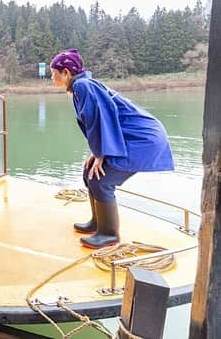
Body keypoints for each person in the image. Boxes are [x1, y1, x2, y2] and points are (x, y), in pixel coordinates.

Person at [50, 49, 174, 249]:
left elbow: (100, 118)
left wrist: (100, 154)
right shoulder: (82, 86)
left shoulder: (82, 86)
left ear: (66, 72)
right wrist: (97, 153)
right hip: (131, 138)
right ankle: (97, 223)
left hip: (143, 139)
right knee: (89, 172)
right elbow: (96, 122)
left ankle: (109, 234)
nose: (51, 77)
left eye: (53, 72)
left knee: (101, 179)